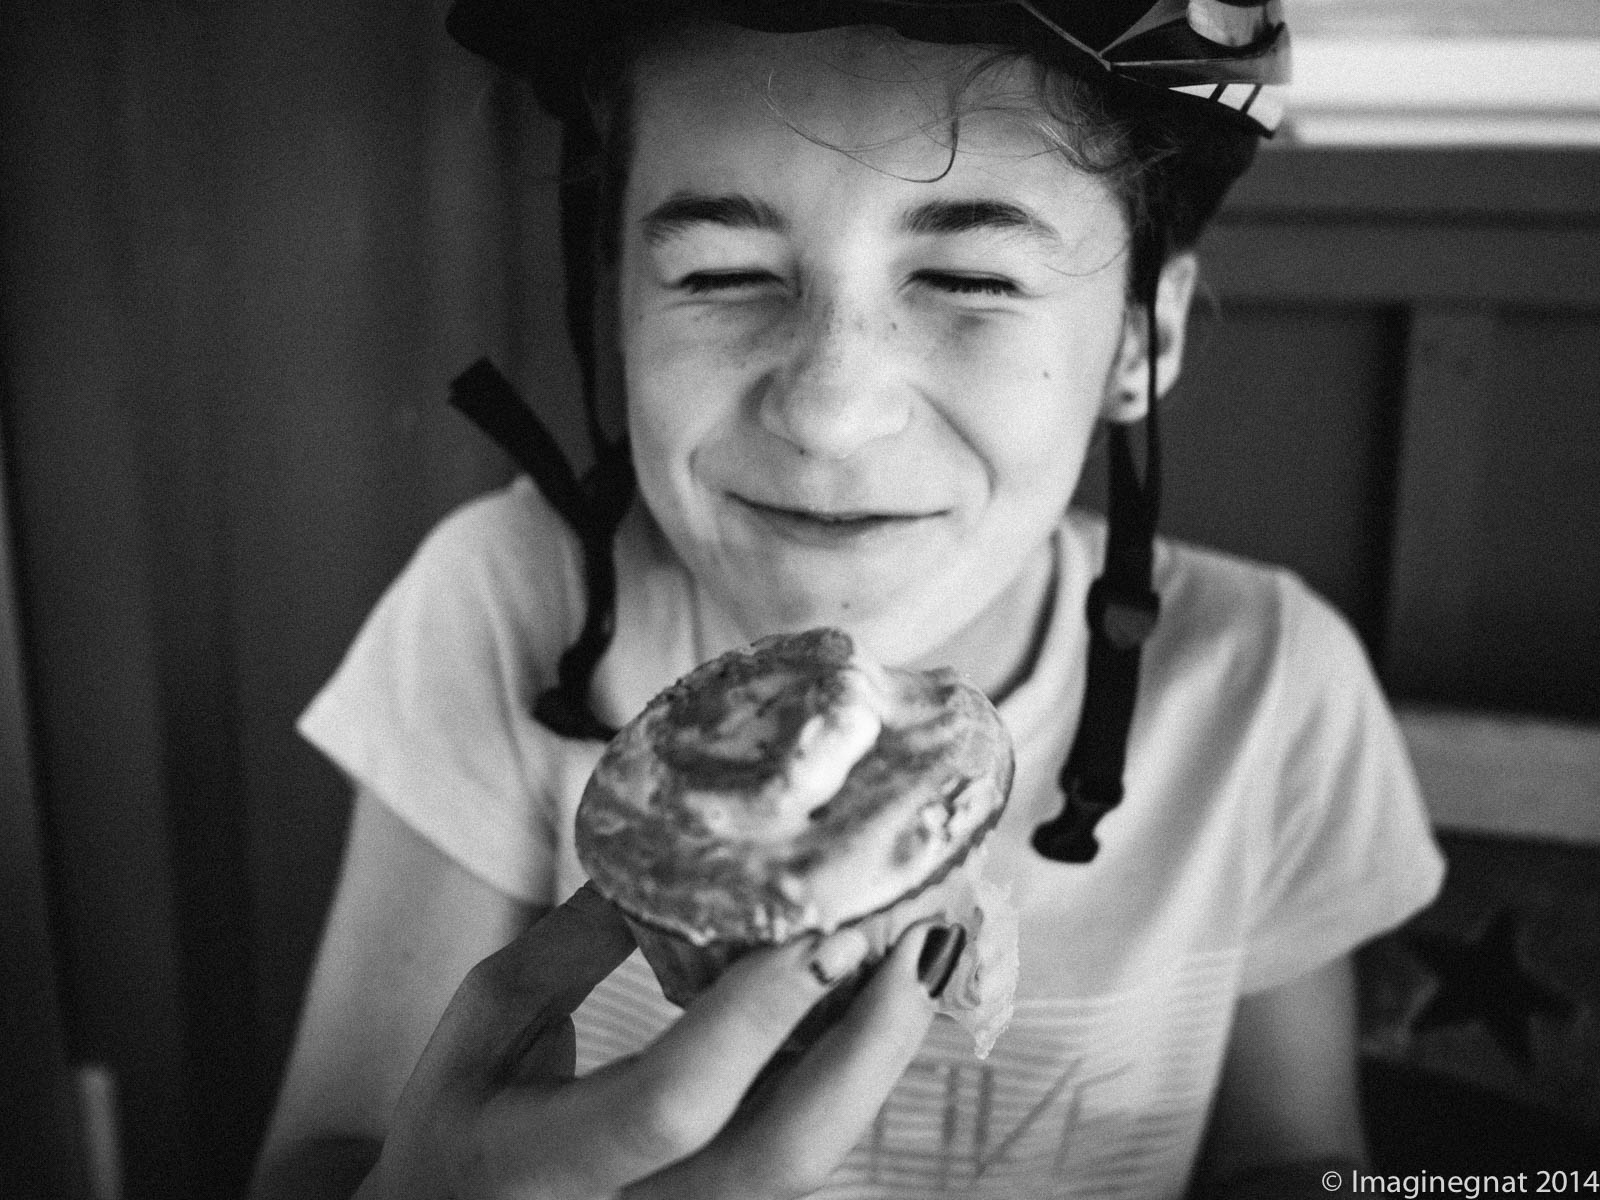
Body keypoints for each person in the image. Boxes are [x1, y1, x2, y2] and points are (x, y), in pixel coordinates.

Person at [249, 2, 1445, 1197]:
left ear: (1141, 338)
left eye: (970, 277)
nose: (828, 413)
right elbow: (320, 1159)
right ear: (619, 304)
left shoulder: (1266, 678)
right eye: (720, 274)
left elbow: (1293, 1156)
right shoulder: (509, 604)